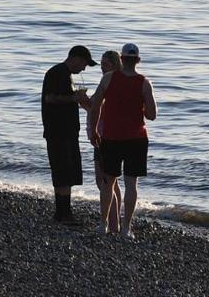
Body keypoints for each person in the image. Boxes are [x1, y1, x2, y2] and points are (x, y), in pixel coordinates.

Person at [88, 43, 157, 239]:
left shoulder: (108, 79)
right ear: (138, 60)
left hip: (111, 137)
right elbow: (152, 115)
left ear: (122, 58)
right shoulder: (144, 83)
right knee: (131, 184)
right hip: (136, 138)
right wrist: (139, 108)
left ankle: (104, 225)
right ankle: (126, 228)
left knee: (108, 181)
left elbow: (95, 107)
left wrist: (93, 131)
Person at [42, 45, 96, 224]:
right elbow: (50, 98)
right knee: (64, 171)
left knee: (63, 172)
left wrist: (76, 98)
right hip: (59, 131)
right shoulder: (59, 73)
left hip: (63, 131)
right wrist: (74, 98)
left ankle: (60, 213)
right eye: (84, 64)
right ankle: (64, 214)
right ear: (76, 58)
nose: (84, 68)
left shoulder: (64, 74)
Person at [87, 50, 123, 234]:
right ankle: (115, 223)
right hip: (112, 135)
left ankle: (111, 223)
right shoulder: (119, 83)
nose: (102, 67)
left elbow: (96, 105)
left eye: (106, 64)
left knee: (104, 183)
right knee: (112, 182)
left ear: (115, 65)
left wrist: (85, 102)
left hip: (103, 136)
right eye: (101, 64)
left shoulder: (108, 83)